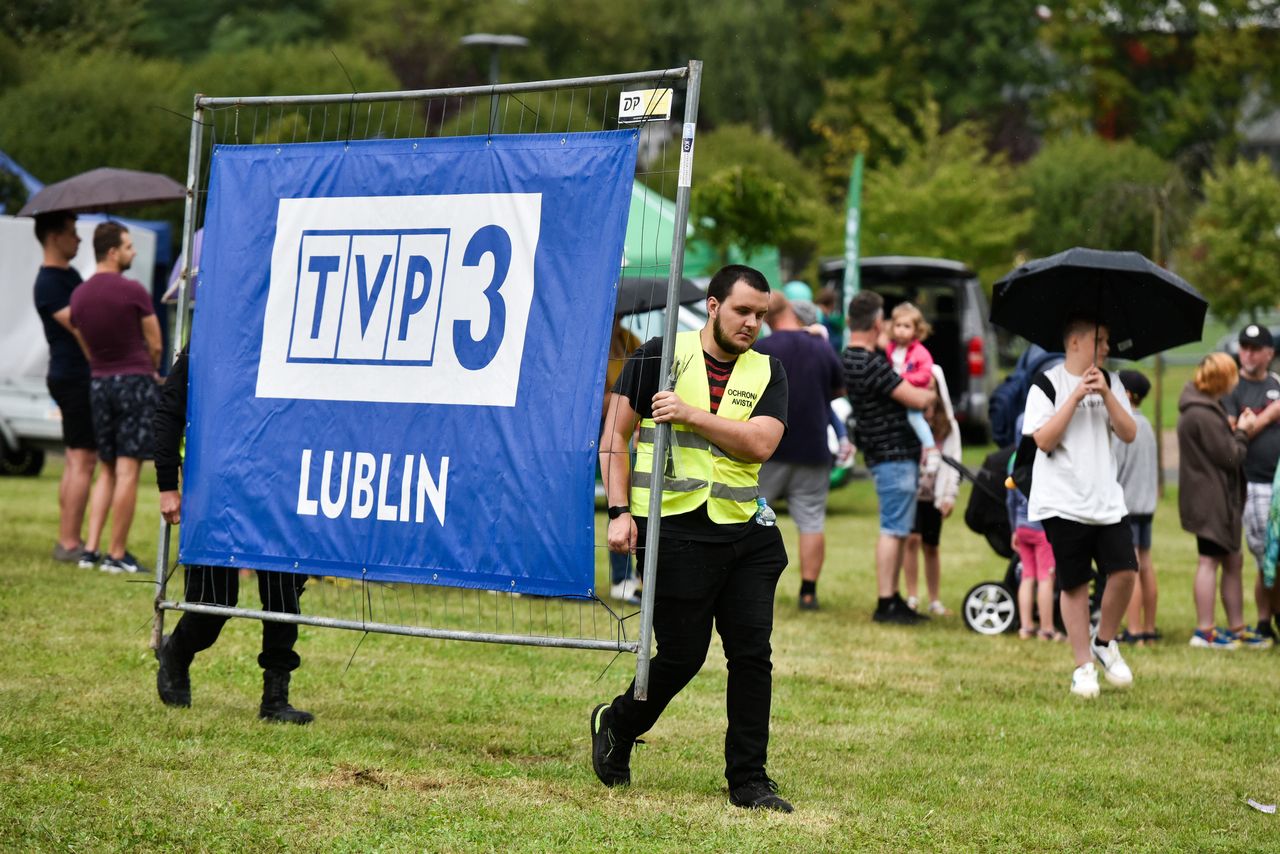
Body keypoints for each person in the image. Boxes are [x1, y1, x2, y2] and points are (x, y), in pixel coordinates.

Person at [592, 264, 792, 812]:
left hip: (747, 535)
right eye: (742, 311)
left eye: (761, 315)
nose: (752, 323)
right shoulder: (659, 355)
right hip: (675, 530)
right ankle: (618, 722)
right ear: (712, 305)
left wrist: (691, 415)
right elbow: (615, 437)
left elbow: (759, 445)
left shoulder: (768, 371)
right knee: (682, 656)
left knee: (752, 655)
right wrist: (617, 511)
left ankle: (749, 781)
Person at [152, 345, 314, 723]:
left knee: (283, 598)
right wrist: (166, 484)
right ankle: (176, 653)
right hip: (217, 494)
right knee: (211, 605)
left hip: (280, 492)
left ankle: (275, 698)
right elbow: (168, 414)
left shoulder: (297, 335)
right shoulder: (212, 336)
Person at [1022, 314, 1137, 699]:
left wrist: (1104, 394)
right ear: (1075, 343)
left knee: (1125, 571)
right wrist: (1075, 396)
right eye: (1101, 340)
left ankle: (1104, 642)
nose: (1107, 348)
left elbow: (1129, 432)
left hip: (1106, 499)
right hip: (1062, 500)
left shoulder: (1114, 382)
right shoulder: (1046, 383)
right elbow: (1044, 440)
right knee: (1074, 582)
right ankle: (1082, 666)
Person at [68, 222, 162, 574]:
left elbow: (84, 342)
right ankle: (118, 554)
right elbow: (155, 342)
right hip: (134, 380)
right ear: (112, 252)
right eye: (128, 246)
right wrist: (150, 370)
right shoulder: (133, 290)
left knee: (105, 468)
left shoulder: (79, 295)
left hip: (99, 383)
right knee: (127, 470)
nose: (133, 252)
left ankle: (90, 549)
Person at [842, 291, 935, 625]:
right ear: (878, 322)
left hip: (882, 454)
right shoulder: (871, 363)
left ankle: (893, 598)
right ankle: (886, 602)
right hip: (894, 455)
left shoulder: (850, 358)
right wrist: (930, 393)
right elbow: (915, 397)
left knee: (896, 528)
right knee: (893, 529)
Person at [755, 292, 847, 611]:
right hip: (813, 449)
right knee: (811, 521)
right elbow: (838, 390)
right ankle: (808, 592)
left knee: (751, 519)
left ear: (765, 317)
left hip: (767, 449)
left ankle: (750, 584)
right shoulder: (821, 347)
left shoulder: (761, 349)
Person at [1177, 352, 1265, 649]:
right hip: (1210, 500)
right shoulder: (1201, 412)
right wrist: (1242, 431)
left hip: (1214, 499)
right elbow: (1230, 457)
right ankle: (1205, 631)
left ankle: (1236, 627)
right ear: (1220, 380)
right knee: (1209, 560)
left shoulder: (1201, 408)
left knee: (1232, 560)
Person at [31, 211, 101, 563]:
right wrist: (101, 366)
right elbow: (79, 326)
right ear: (54, 236)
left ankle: (68, 538)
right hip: (73, 375)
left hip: (73, 374)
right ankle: (70, 542)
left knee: (79, 458)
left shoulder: (68, 275)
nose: (78, 239)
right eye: (73, 233)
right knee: (82, 459)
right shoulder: (49, 282)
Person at [1222, 324, 1280, 647]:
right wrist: (1270, 416)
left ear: (1269, 354)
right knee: (1263, 555)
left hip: (1278, 482)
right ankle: (1264, 619)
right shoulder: (1234, 389)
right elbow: (1235, 434)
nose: (1248, 353)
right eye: (1244, 347)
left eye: (1255, 348)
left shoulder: (1276, 384)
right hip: (1253, 483)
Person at [903, 364, 961, 616]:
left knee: (931, 545)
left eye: (931, 384)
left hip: (933, 495)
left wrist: (949, 495)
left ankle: (934, 599)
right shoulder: (908, 418)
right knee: (911, 540)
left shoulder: (947, 426)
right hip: (911, 493)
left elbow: (954, 461)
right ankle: (912, 595)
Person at [1113, 370, 1160, 646]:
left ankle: (1134, 629)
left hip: (1127, 506)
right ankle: (1149, 628)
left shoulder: (1125, 426)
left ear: (1127, 395)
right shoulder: (1148, 425)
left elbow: (1116, 466)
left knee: (1130, 569)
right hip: (1146, 506)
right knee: (1146, 566)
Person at [1007, 414, 1062, 641]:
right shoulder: (1046, 457)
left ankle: (1026, 626)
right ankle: (1047, 628)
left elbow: (1009, 499)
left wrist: (1013, 528)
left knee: (1027, 576)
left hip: (1021, 526)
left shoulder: (1013, 460)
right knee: (1046, 577)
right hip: (1042, 529)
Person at [603, 316, 643, 606]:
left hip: (624, 426)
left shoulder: (629, 339)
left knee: (625, 498)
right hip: (592, 428)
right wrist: (620, 399)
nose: (618, 320)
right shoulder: (595, 340)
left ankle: (624, 578)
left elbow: (641, 381)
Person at [884, 302, 941, 475]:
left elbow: (925, 374)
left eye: (907, 326)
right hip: (897, 394)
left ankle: (931, 449)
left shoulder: (920, 352)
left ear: (916, 330)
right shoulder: (891, 349)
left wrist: (902, 379)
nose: (901, 330)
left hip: (914, 393)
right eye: (898, 325)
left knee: (914, 418)